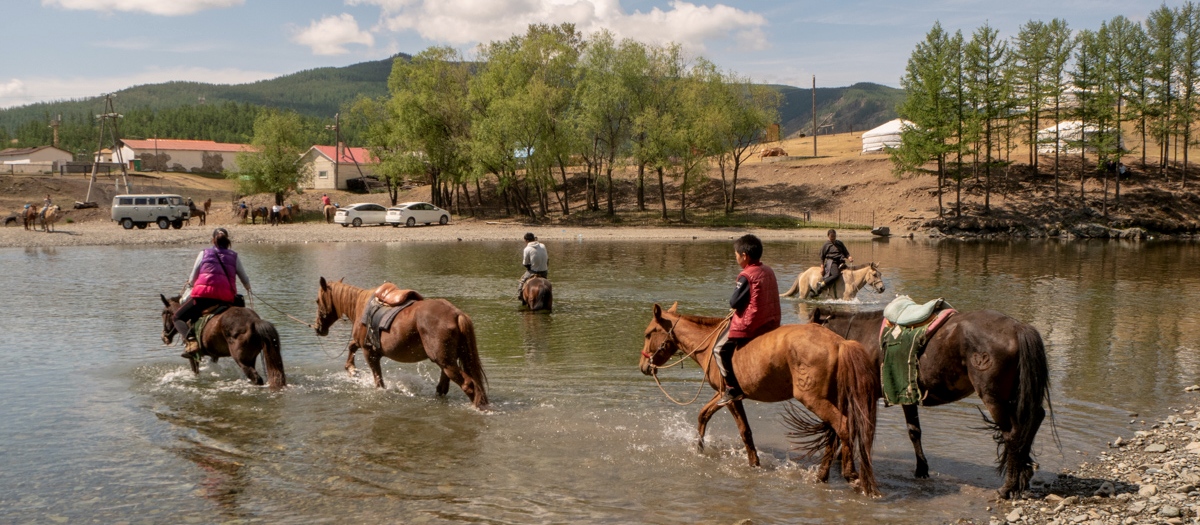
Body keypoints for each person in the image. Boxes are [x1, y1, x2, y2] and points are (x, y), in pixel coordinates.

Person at [713, 234, 781, 406]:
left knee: (719, 350)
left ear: (744, 256)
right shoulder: (768, 270)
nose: (735, 257)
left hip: (751, 323)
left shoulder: (746, 275)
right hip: (771, 320)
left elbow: (734, 302)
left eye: (736, 254)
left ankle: (732, 388)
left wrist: (735, 308)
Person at [174, 228, 252, 361]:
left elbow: (193, 278)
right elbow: (245, 279)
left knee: (177, 317)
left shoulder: (204, 253)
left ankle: (192, 341)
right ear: (228, 240)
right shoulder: (234, 256)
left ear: (213, 240)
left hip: (204, 298)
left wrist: (191, 283)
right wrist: (248, 288)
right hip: (227, 298)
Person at [815, 229, 852, 296]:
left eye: (834, 236)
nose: (833, 238)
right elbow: (822, 257)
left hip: (841, 262)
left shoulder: (840, 243)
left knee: (850, 272)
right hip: (832, 262)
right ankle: (822, 284)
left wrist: (849, 257)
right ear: (828, 236)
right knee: (835, 275)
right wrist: (822, 267)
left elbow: (846, 252)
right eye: (831, 237)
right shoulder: (826, 245)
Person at [517, 232, 548, 303]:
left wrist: (530, 268)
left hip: (533, 271)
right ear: (534, 238)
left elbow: (525, 263)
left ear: (526, 240)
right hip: (544, 271)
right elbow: (547, 259)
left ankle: (520, 295)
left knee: (522, 281)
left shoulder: (527, 249)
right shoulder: (543, 245)